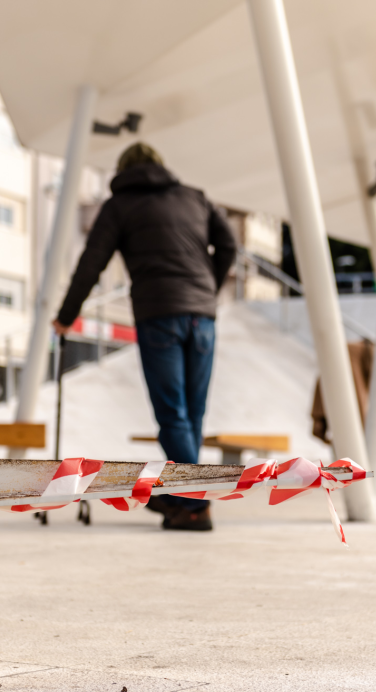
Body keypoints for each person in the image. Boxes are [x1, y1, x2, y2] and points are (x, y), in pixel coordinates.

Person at [52, 142, 237, 531]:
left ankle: (192, 506)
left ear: (123, 171)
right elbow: (229, 244)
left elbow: (91, 263)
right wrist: (207, 289)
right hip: (202, 318)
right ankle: (176, 494)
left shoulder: (119, 206)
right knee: (193, 412)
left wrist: (67, 316)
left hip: (160, 316)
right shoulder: (194, 197)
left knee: (173, 414)